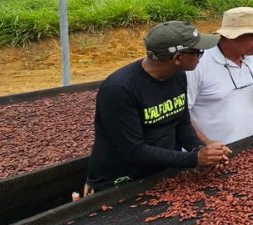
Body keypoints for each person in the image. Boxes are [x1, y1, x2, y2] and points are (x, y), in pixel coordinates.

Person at [85, 21, 231, 192]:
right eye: (198, 52)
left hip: (161, 175)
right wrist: (194, 159)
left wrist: (199, 149)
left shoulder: (178, 76)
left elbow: (181, 123)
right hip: (121, 182)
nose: (201, 57)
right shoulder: (119, 89)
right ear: (177, 58)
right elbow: (133, 150)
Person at [186, 6, 253, 145]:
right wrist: (207, 145)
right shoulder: (197, 64)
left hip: (248, 148)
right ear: (232, 35)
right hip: (211, 156)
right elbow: (182, 116)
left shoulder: (252, 59)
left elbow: (249, 102)